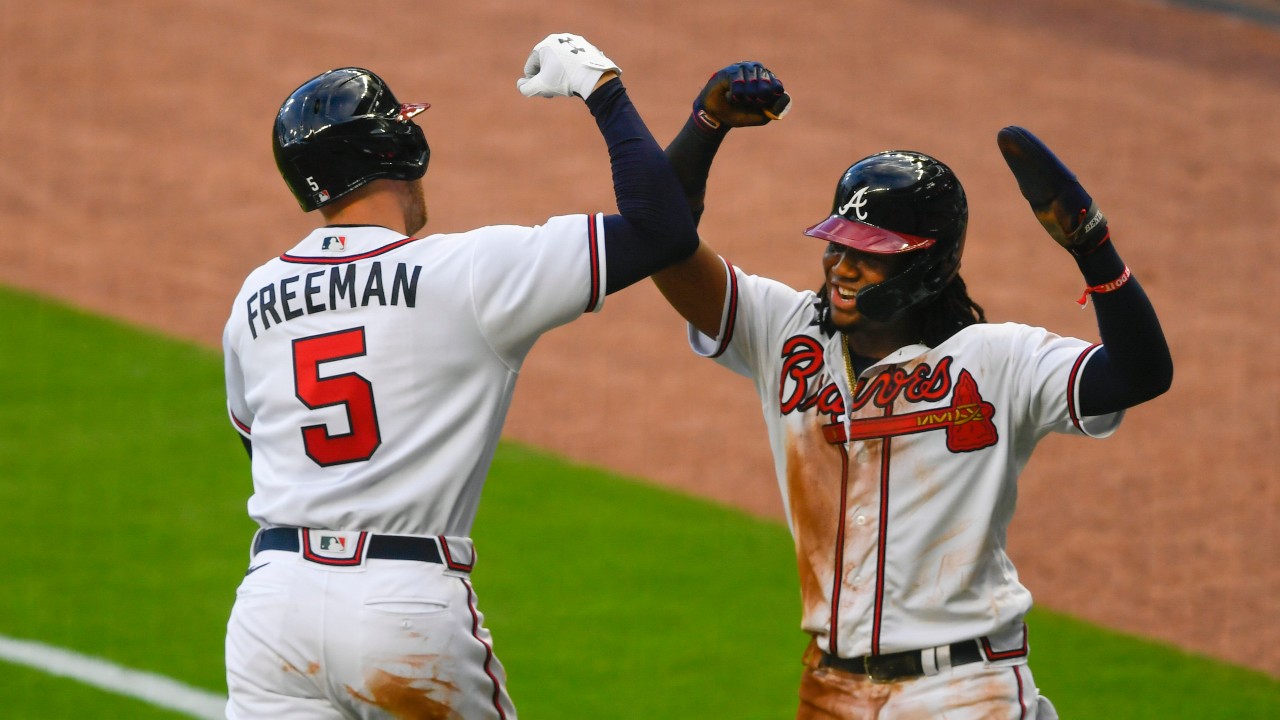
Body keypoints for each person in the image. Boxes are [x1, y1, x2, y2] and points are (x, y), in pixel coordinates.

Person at [653, 63, 1173, 719]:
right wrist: (707, 124)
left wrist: (1092, 245)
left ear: (927, 262)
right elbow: (661, 244)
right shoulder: (785, 336)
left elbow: (1139, 373)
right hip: (831, 689)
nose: (842, 264)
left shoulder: (996, 361)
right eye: (837, 242)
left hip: (963, 690)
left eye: (870, 251)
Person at [220, 34, 697, 719]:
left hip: (272, 608)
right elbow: (662, 231)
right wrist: (604, 89)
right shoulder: (469, 272)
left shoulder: (254, 301)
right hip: (402, 605)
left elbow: (263, 451)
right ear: (397, 152)